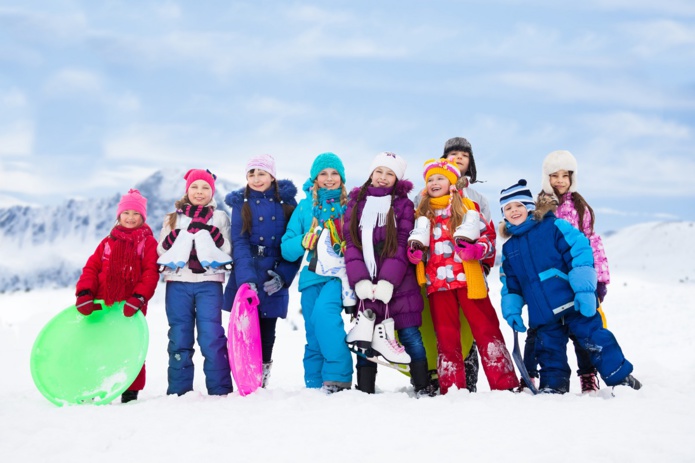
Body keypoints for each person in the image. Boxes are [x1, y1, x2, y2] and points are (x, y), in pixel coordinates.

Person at [499, 179, 641, 394]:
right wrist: (512, 310)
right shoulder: (509, 248)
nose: (514, 211)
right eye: (508, 208)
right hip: (543, 313)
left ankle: (621, 378)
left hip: (573, 302)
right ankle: (553, 388)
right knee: (548, 351)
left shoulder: (553, 226)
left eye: (518, 205)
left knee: (597, 340)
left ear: (530, 207)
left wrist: (585, 291)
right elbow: (510, 283)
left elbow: (580, 253)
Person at [407, 159, 518, 394]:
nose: (435, 183)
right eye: (430, 180)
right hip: (438, 286)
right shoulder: (422, 214)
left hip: (469, 282)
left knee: (487, 330)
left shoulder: (467, 207)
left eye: (440, 178)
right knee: (446, 338)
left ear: (451, 182)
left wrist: (478, 250)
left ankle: (505, 384)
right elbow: (416, 243)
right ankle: (452, 388)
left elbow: (488, 238)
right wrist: (414, 253)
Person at [342, 152, 434, 397]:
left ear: (397, 178)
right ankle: (365, 388)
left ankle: (423, 385)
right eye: (379, 171)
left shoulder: (403, 205)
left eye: (389, 173)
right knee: (367, 335)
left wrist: (387, 280)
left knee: (410, 335)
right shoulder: (356, 203)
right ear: (371, 173)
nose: (383, 178)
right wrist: (360, 279)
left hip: (400, 283)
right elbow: (351, 244)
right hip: (367, 283)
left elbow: (403, 242)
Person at [520, 150, 612, 393]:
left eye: (565, 175)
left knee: (583, 327)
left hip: (577, 280)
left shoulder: (581, 208)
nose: (560, 180)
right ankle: (529, 375)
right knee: (539, 331)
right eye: (554, 175)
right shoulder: (538, 208)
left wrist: (598, 281)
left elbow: (593, 244)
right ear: (545, 177)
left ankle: (588, 375)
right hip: (548, 283)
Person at [75, 188, 159, 403]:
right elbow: (92, 268)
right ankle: (94, 384)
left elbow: (150, 273)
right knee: (98, 345)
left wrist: (139, 298)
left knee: (130, 346)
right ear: (119, 215)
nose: (130, 218)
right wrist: (84, 293)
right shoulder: (107, 242)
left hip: (130, 306)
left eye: (136, 214)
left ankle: (130, 390)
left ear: (143, 217)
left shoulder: (148, 242)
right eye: (126, 213)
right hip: (103, 304)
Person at [224, 154, 300, 388]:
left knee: (267, 329)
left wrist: (284, 276)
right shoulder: (241, 204)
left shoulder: (288, 204)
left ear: (272, 175)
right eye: (251, 174)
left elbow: (294, 244)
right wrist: (246, 280)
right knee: (244, 328)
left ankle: (262, 374)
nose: (256, 179)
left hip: (274, 273)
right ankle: (245, 372)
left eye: (261, 173)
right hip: (248, 270)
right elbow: (239, 241)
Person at [281, 152, 353, 394]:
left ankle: (338, 377)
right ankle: (314, 385)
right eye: (323, 173)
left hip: (339, 277)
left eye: (334, 174)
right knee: (313, 330)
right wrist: (304, 240)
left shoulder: (349, 207)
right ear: (315, 178)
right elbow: (286, 249)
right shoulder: (304, 208)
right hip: (311, 277)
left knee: (324, 316)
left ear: (342, 179)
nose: (329, 178)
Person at [157, 169, 233, 396]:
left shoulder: (219, 217)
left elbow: (227, 249)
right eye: (195, 187)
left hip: (208, 283)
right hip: (178, 282)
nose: (199, 192)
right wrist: (176, 236)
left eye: (205, 188)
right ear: (187, 190)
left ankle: (219, 389)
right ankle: (179, 391)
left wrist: (210, 233)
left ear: (212, 192)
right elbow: (160, 250)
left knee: (211, 336)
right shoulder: (172, 217)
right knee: (179, 336)